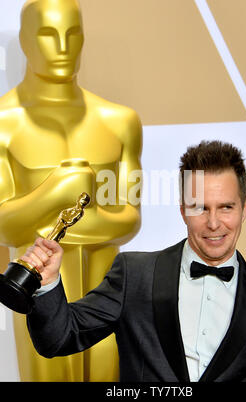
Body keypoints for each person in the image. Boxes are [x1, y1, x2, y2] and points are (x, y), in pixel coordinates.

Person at [22, 141, 246, 382]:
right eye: (200, 207)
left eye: (226, 206)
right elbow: (59, 339)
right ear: (183, 210)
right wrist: (47, 285)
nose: (214, 223)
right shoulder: (135, 275)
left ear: (244, 207)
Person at [0, 0, 142, 381]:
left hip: (107, 296)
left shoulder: (120, 121)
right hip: (37, 298)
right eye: (48, 34)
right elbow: (4, 228)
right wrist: (55, 190)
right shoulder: (3, 125)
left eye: (72, 33)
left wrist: (63, 218)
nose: (63, 47)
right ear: (26, 43)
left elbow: (130, 218)